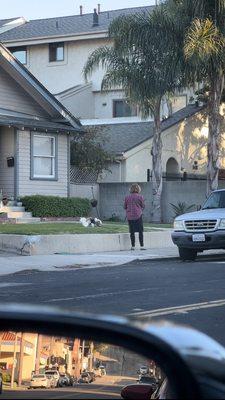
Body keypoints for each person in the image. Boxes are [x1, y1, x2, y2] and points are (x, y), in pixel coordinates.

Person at [124, 184, 145, 250]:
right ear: (138, 189)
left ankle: (133, 246)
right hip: (138, 215)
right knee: (140, 231)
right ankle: (142, 246)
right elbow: (143, 206)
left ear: (131, 189)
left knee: (132, 231)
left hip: (130, 216)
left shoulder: (127, 197)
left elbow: (125, 206)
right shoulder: (140, 197)